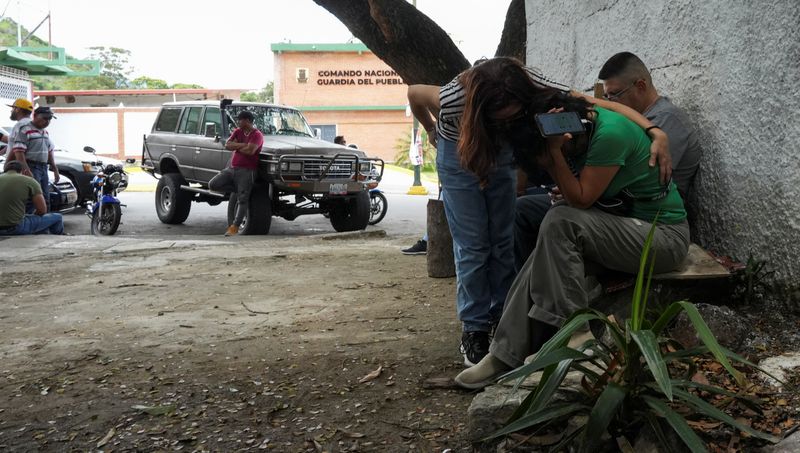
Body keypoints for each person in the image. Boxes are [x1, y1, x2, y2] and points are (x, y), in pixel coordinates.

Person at [408, 57, 671, 367]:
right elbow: (413, 92)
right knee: (474, 244)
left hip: (502, 150)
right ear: (483, 107)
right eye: (500, 118)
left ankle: (502, 317)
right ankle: (475, 328)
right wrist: (432, 130)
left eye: (513, 116)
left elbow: (596, 103)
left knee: (502, 238)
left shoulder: (533, 84)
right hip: (460, 147)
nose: (507, 122)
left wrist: (656, 131)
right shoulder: (454, 98)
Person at [455, 86, 690, 389]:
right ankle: (504, 354)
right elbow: (601, 104)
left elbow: (579, 200)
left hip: (662, 239)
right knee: (546, 246)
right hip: (624, 230)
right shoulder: (576, 114)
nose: (551, 164)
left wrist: (554, 154)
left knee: (561, 220)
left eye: (550, 155)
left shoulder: (609, 135)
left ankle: (578, 342)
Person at [513, 52, 701, 271]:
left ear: (640, 86)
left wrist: (568, 181)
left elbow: (646, 182)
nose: (610, 103)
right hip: (612, 204)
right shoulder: (630, 119)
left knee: (561, 218)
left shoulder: (666, 121)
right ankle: (525, 287)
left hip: (642, 217)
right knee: (523, 208)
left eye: (614, 95)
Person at [209, 110, 263, 236]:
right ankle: (240, 189)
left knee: (242, 200)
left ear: (248, 121)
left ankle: (235, 227)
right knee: (213, 184)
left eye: (240, 120)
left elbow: (251, 151)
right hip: (232, 169)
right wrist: (243, 145)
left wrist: (236, 146)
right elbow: (227, 145)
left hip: (247, 171)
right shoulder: (237, 132)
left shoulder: (257, 135)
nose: (238, 122)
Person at [11, 107, 59, 211]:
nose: (47, 121)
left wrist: (55, 169)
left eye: (49, 119)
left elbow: (49, 151)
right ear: (35, 116)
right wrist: (26, 169)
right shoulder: (25, 129)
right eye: (45, 118)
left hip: (43, 168)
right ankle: (29, 224)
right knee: (32, 198)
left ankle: (44, 225)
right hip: (31, 166)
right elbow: (19, 152)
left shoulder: (45, 132)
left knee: (45, 198)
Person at [0, 160, 64, 235]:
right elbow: (42, 210)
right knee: (57, 217)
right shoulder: (29, 181)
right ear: (24, 171)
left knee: (28, 218)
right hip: (15, 228)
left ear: (5, 170)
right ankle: (58, 238)